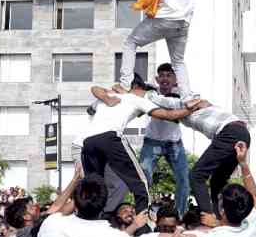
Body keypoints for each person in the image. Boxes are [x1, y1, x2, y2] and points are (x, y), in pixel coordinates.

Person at [78, 74, 195, 214]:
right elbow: (167, 115)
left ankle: (90, 218)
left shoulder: (112, 94)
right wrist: (190, 109)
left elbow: (94, 88)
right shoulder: (138, 99)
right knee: (140, 182)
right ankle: (142, 222)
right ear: (138, 89)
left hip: (88, 142)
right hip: (110, 138)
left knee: (93, 186)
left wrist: (107, 98)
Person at [139, 63, 192, 217]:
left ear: (175, 80)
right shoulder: (151, 92)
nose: (165, 78)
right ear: (157, 78)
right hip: (152, 141)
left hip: (174, 143)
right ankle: (142, 213)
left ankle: (181, 215)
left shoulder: (181, 96)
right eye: (162, 75)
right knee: (144, 177)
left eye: (169, 75)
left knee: (183, 179)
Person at [181, 99, 251, 215]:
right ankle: (224, 216)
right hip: (241, 133)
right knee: (218, 181)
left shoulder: (193, 106)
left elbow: (200, 102)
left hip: (230, 132)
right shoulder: (210, 112)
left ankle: (208, 216)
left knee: (196, 175)